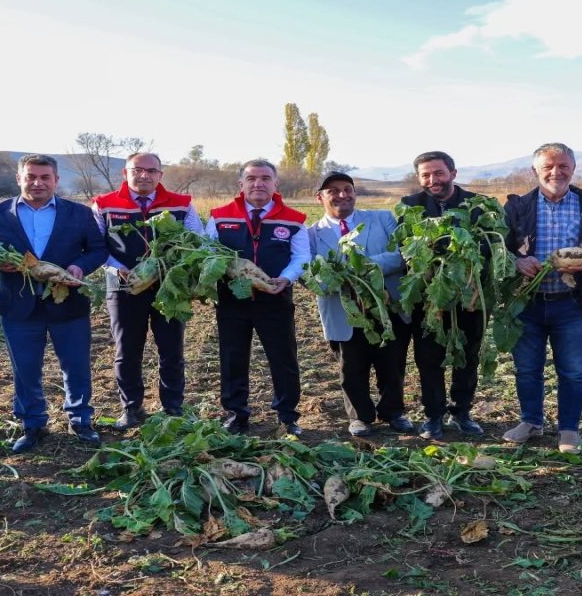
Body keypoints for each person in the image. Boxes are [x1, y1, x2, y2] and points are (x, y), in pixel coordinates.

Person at [0, 153, 107, 451]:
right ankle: (32, 424)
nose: (37, 183)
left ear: (56, 180)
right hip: (18, 306)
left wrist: (78, 268)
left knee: (76, 365)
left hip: (67, 302)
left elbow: (97, 249)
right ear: (19, 179)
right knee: (25, 368)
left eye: (45, 177)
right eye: (30, 177)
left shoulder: (79, 213)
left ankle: (81, 420)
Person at [502, 143, 582, 453]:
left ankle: (569, 429)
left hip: (572, 303)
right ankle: (531, 421)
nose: (557, 172)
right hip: (527, 301)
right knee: (527, 368)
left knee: (572, 370)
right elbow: (500, 248)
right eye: (548, 167)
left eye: (563, 166)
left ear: (573, 168)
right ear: (535, 171)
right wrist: (516, 261)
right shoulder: (516, 207)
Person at [92, 152, 203, 429]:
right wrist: (117, 267)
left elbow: (196, 240)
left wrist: (170, 265)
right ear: (125, 173)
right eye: (137, 170)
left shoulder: (182, 204)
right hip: (122, 286)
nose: (144, 175)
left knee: (171, 349)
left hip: (170, 286)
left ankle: (173, 407)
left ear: (160, 175)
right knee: (127, 349)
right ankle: (131, 408)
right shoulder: (104, 205)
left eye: (151, 171)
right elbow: (96, 245)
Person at [206, 159, 310, 436]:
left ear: (275, 184)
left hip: (275, 298)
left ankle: (287, 416)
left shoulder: (294, 219)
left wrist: (285, 278)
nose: (258, 183)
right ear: (241, 185)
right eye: (251, 178)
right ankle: (235, 414)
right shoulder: (219, 216)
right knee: (232, 357)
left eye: (265, 178)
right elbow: (206, 252)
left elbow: (301, 256)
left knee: (283, 358)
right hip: (232, 300)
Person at [308, 171, 413, 437]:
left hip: (386, 306)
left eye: (347, 189)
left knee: (392, 363)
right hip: (343, 311)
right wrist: (337, 278)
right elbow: (311, 275)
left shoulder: (382, 218)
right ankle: (359, 417)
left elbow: (401, 255)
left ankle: (393, 412)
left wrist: (361, 268)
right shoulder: (311, 235)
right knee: (351, 366)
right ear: (320, 197)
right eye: (333, 191)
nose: (342, 195)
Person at [400, 151, 487, 440]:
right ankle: (433, 415)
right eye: (425, 175)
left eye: (438, 173)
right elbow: (404, 248)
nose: (432, 180)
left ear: (453, 173)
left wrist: (465, 262)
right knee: (429, 358)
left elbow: (490, 246)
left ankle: (462, 410)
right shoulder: (410, 206)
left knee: (468, 355)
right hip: (429, 299)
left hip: (469, 297)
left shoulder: (477, 205)